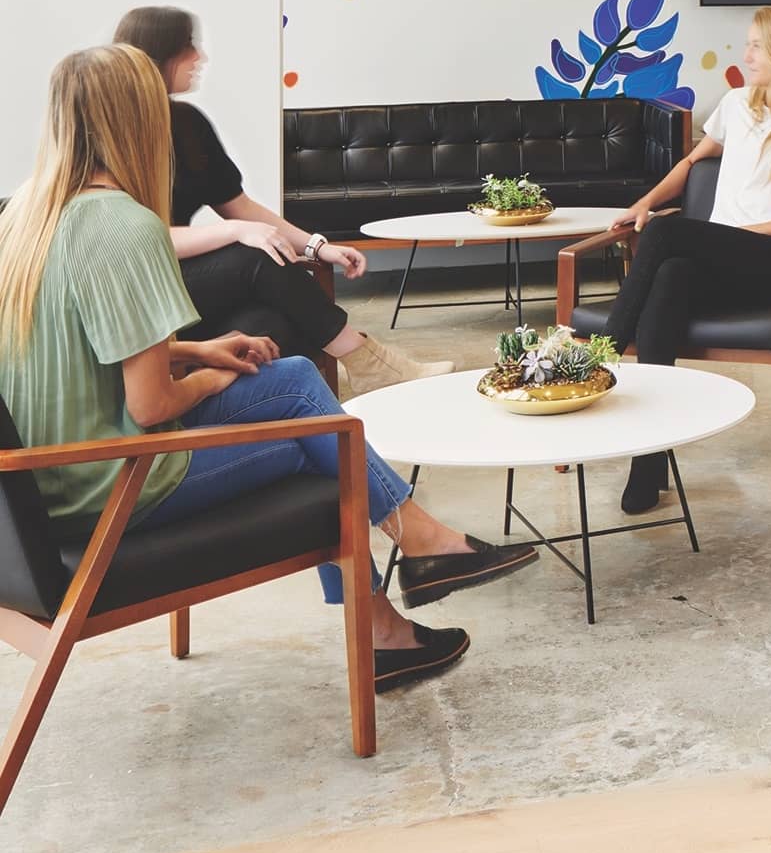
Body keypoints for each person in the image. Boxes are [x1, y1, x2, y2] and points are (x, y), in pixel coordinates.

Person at [0, 46, 539, 690]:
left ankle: (415, 562)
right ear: (142, 121)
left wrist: (198, 350)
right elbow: (150, 408)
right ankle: (399, 598)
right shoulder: (122, 225)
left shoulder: (26, 213)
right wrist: (211, 377)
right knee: (322, 444)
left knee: (294, 382)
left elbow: (65, 349)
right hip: (112, 488)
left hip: (49, 473)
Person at [113, 7, 448, 395]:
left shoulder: (187, 124)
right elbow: (135, 238)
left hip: (190, 291)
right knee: (255, 255)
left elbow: (240, 206)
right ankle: (364, 360)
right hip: (141, 288)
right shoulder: (113, 132)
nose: (199, 57)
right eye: (189, 46)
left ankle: (247, 417)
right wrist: (237, 232)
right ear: (160, 53)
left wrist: (317, 247)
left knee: (275, 324)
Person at [604, 5, 771, 516]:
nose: (747, 53)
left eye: (757, 45)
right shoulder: (736, 105)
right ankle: (648, 463)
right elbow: (693, 162)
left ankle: (599, 355)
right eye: (749, 43)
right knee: (669, 276)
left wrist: (742, 233)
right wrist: (645, 203)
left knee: (670, 233)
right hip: (727, 258)